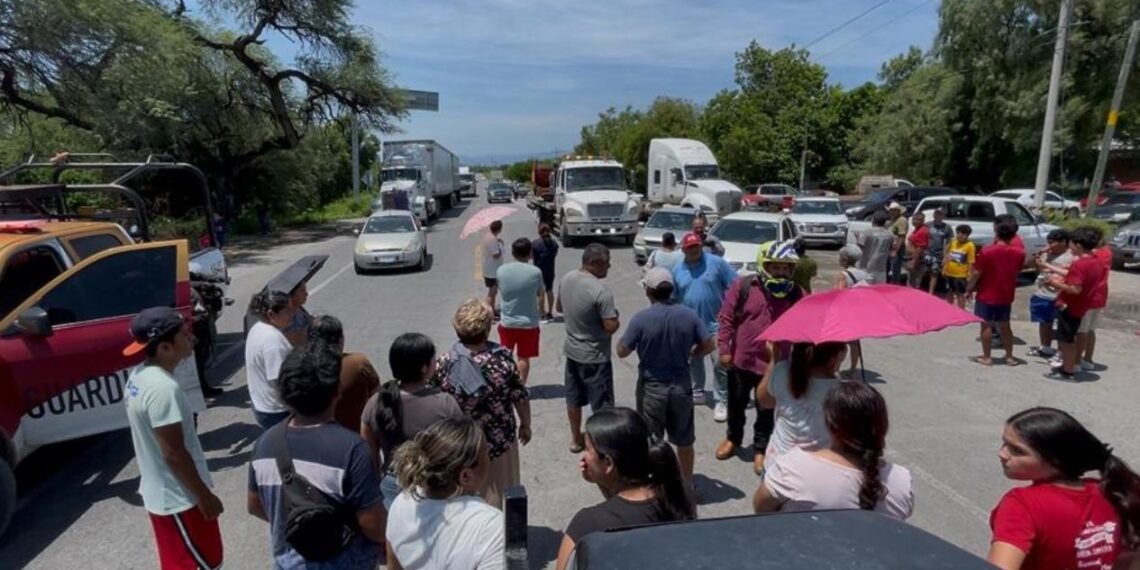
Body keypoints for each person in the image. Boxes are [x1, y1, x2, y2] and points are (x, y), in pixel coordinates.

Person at [247, 346, 386, 569]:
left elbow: (255, 506)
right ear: (337, 392)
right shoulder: (352, 449)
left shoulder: (265, 445)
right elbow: (373, 525)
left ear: (284, 396)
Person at [123, 307, 223, 570]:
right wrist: (204, 496)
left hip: (169, 496)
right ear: (166, 348)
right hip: (181, 499)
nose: (192, 338)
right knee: (203, 564)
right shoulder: (163, 389)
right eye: (184, 334)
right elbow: (173, 454)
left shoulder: (140, 375)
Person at [987, 407, 1140, 570]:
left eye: (1017, 450)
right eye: (1004, 443)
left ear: (1055, 462)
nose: (1002, 453)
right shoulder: (1114, 491)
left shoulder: (1022, 505)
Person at [555, 408, 696, 570]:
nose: (583, 456)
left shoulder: (587, 524)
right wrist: (601, 479)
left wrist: (601, 477)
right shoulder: (678, 492)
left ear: (608, 463)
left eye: (587, 449)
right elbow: (625, 507)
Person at [753, 382, 913, 520]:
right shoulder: (903, 482)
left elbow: (761, 508)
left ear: (830, 426)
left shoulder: (793, 467)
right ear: (883, 426)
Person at [616, 268, 715, 487]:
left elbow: (622, 351)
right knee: (685, 439)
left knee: (652, 439)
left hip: (652, 386)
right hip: (681, 384)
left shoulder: (641, 319)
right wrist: (692, 353)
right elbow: (709, 344)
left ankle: (657, 484)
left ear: (648, 291)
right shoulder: (689, 315)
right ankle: (687, 484)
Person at [432, 299, 532, 509]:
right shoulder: (502, 360)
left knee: (461, 497)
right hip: (498, 442)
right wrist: (525, 424)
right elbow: (519, 397)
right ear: (487, 329)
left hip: (459, 444)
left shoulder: (445, 363)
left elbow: (434, 399)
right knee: (501, 493)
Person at [715, 240, 802, 475]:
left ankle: (760, 448)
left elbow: (805, 325)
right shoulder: (743, 286)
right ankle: (733, 438)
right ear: (765, 266)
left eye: (786, 268)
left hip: (776, 364)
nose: (781, 272)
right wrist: (724, 349)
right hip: (741, 360)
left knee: (766, 409)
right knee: (736, 404)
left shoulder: (796, 293)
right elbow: (726, 318)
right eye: (776, 267)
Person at [360, 333, 463, 512]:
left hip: (392, 485)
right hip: (435, 486)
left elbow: (370, 456)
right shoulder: (445, 404)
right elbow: (461, 449)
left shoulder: (376, 402)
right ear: (424, 368)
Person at [386, 417, 504, 570]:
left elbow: (393, 564)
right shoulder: (490, 526)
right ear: (466, 476)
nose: (489, 457)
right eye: (486, 452)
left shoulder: (402, 501)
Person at [557, 244, 620, 453]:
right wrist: (616, 318)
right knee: (602, 406)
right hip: (595, 357)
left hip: (572, 352)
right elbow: (610, 327)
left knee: (573, 399)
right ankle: (601, 446)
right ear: (595, 263)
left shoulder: (566, 278)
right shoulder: (600, 291)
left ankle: (575, 439)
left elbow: (558, 307)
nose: (609, 266)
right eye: (606, 262)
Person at [755, 341, 847, 471]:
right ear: (835, 358)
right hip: (813, 472)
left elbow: (764, 401)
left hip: (776, 463)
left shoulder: (783, 370)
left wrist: (773, 360)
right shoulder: (840, 391)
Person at [673, 232, 737, 419]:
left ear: (701, 246)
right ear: (683, 249)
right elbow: (674, 298)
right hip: (690, 325)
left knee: (719, 362)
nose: (694, 250)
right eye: (690, 247)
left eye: (697, 246)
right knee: (694, 358)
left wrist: (732, 311)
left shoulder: (716, 263)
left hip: (717, 324)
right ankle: (697, 390)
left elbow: (735, 286)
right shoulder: (677, 269)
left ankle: (721, 400)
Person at [1043, 228, 1107, 381]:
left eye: (1071, 244)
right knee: (1069, 337)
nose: (1069, 247)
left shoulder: (1080, 265)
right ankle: (1068, 364)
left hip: (1070, 306)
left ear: (1078, 245)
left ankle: (1068, 370)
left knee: (1066, 340)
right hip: (1081, 306)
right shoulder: (1096, 262)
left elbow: (1075, 289)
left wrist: (1055, 284)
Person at [967, 215, 1026, 367]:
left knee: (986, 325)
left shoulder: (987, 252)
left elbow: (976, 273)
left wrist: (969, 288)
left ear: (996, 230)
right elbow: (1017, 270)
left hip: (987, 294)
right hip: (1006, 294)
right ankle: (1010, 356)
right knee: (1005, 326)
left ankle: (987, 357)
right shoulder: (1019, 253)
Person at [306, 315, 381, 432]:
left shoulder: (300, 367)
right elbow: (377, 397)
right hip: (355, 433)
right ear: (341, 339)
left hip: (314, 435)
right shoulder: (358, 363)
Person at [245, 289, 296, 429]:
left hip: (261, 405)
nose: (292, 315)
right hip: (277, 411)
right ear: (271, 314)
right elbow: (281, 380)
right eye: (287, 311)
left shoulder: (257, 328)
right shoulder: (273, 341)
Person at [497, 238, 545, 385]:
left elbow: (501, 289)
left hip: (507, 323)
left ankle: (505, 385)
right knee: (523, 358)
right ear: (529, 253)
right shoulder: (535, 272)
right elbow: (540, 295)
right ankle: (521, 387)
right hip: (529, 324)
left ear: (513, 252)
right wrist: (541, 313)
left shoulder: (501, 270)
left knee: (505, 357)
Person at [1026, 229, 1072, 359]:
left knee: (1058, 324)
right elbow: (1029, 264)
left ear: (1063, 242)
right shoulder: (1046, 254)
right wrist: (1039, 253)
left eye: (1052, 242)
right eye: (1048, 242)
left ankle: (1061, 351)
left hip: (1058, 294)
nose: (1050, 245)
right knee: (1043, 322)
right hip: (1042, 293)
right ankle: (1045, 347)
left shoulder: (1070, 256)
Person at [835, 245, 870, 379]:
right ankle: (853, 368)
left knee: (839, 343)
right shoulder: (862, 273)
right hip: (857, 311)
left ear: (845, 259)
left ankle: (836, 368)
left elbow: (840, 295)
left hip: (845, 313)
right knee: (855, 343)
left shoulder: (843, 275)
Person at [1079, 229, 1112, 370]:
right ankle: (1088, 359)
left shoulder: (1093, 255)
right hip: (1100, 295)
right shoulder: (1106, 252)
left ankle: (1074, 362)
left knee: (1082, 331)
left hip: (1089, 296)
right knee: (1090, 330)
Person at [531, 223, 560, 321]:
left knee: (540, 292)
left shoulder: (535, 244)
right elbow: (555, 253)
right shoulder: (554, 243)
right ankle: (550, 312)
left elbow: (531, 256)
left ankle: (541, 312)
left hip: (539, 270)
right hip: (550, 270)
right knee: (549, 290)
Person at [857, 210, 894, 284]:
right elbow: (891, 248)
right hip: (881, 269)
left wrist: (857, 239)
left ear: (874, 220)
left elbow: (861, 245)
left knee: (866, 291)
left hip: (867, 268)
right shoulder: (889, 234)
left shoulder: (868, 232)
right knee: (879, 291)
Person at [943, 225, 975, 309]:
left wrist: (969, 275)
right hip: (949, 273)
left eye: (959, 233)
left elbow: (971, 262)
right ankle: (948, 308)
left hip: (960, 275)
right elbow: (947, 255)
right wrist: (944, 268)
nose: (957, 235)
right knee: (949, 292)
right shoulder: (953, 242)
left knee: (960, 294)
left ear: (965, 235)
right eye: (957, 233)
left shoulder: (970, 246)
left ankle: (961, 311)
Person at [482, 220, 505, 315]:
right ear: (499, 229)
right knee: (492, 292)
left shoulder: (489, 236)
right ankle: (488, 312)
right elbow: (495, 255)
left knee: (494, 292)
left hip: (490, 270)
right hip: (492, 271)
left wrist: (498, 241)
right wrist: (500, 247)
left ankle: (493, 310)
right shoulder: (492, 239)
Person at [925, 209, 950, 295]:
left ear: (943, 216)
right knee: (923, 272)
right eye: (936, 213)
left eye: (940, 214)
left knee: (934, 273)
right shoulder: (927, 225)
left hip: (937, 254)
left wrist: (946, 256)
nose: (938, 215)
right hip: (926, 253)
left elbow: (949, 242)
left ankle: (930, 293)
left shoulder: (947, 227)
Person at [906, 212, 930, 289]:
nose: (915, 221)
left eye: (918, 220)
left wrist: (914, 261)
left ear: (923, 221)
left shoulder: (922, 231)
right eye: (914, 219)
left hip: (918, 261)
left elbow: (920, 248)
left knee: (915, 284)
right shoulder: (917, 230)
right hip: (913, 259)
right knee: (911, 282)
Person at [887, 203, 909, 284]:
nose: (891, 212)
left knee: (895, 269)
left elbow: (901, 236)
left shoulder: (902, 220)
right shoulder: (892, 220)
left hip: (896, 248)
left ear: (898, 211)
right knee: (889, 268)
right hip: (889, 248)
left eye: (894, 210)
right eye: (890, 210)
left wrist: (895, 251)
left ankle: (895, 286)